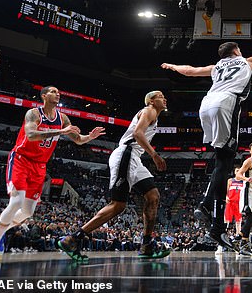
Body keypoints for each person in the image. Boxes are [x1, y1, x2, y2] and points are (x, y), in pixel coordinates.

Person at [161, 32, 252, 250]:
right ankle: (207, 209)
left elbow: (191, 71)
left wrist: (173, 66)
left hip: (206, 105)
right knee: (225, 162)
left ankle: (214, 221)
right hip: (226, 102)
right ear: (236, 51)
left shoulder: (217, 66)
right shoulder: (246, 61)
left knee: (221, 161)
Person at [0, 86, 105, 262]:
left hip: (40, 166)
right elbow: (31, 135)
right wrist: (60, 132)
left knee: (27, 212)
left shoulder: (62, 118)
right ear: (44, 96)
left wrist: (89, 137)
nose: (58, 94)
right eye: (53, 91)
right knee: (16, 202)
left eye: (59, 92)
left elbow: (78, 140)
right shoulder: (34, 114)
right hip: (21, 159)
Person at [58, 91, 169, 262]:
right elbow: (138, 134)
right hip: (126, 154)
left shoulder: (154, 115)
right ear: (152, 101)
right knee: (118, 205)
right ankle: (73, 239)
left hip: (135, 158)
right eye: (160, 96)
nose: (165, 98)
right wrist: (154, 155)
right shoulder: (149, 110)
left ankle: (146, 244)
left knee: (153, 196)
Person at [225, 167, 244, 238]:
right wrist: (226, 197)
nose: (238, 171)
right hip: (230, 201)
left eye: (239, 170)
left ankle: (238, 234)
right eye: (237, 170)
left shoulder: (243, 181)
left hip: (239, 202)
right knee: (227, 219)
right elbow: (226, 190)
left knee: (238, 220)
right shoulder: (230, 180)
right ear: (235, 172)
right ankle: (224, 234)